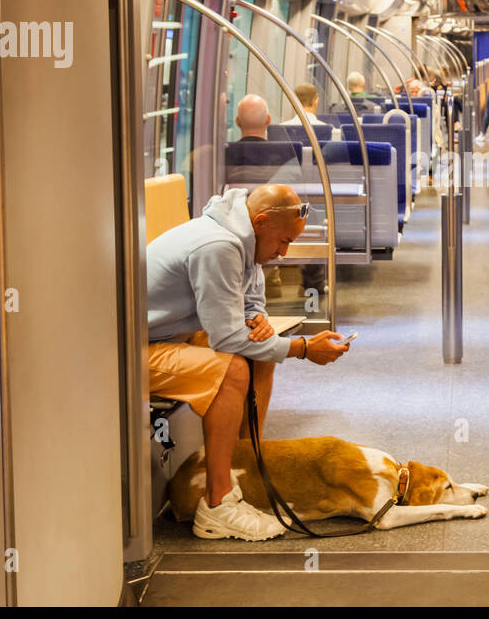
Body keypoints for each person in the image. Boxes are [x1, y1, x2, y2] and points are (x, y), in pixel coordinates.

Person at [147, 183, 350, 541]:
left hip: (167, 336)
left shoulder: (245, 240)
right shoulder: (219, 246)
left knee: (260, 359)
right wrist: (302, 348)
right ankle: (217, 505)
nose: (284, 253)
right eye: (283, 241)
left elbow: (250, 299)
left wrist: (257, 319)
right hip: (125, 352)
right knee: (232, 368)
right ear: (259, 222)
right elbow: (226, 339)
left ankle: (243, 473)